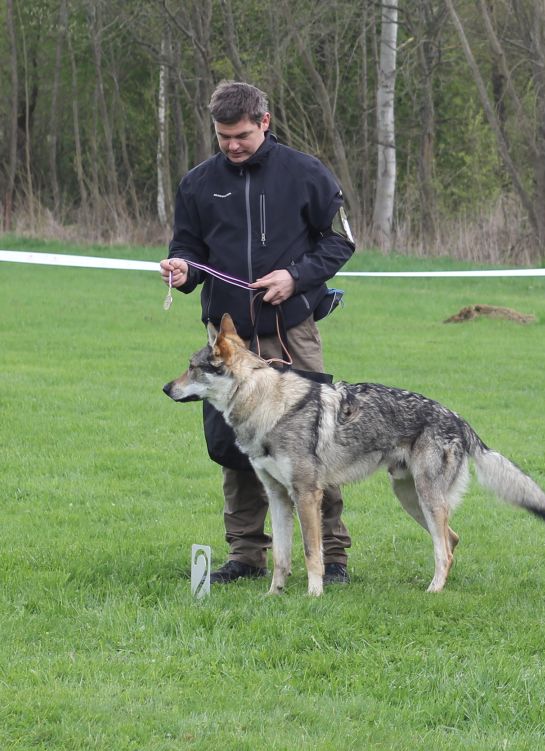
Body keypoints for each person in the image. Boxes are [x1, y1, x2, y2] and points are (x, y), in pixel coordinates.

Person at [160, 81, 355, 585]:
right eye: (223, 136)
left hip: (290, 330)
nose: (232, 145)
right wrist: (183, 270)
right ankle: (246, 555)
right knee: (235, 445)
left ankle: (331, 555)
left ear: (264, 122)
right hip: (226, 343)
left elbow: (340, 244)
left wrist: (296, 276)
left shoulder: (305, 173)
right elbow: (188, 248)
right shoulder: (198, 184)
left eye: (242, 135)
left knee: (312, 445)